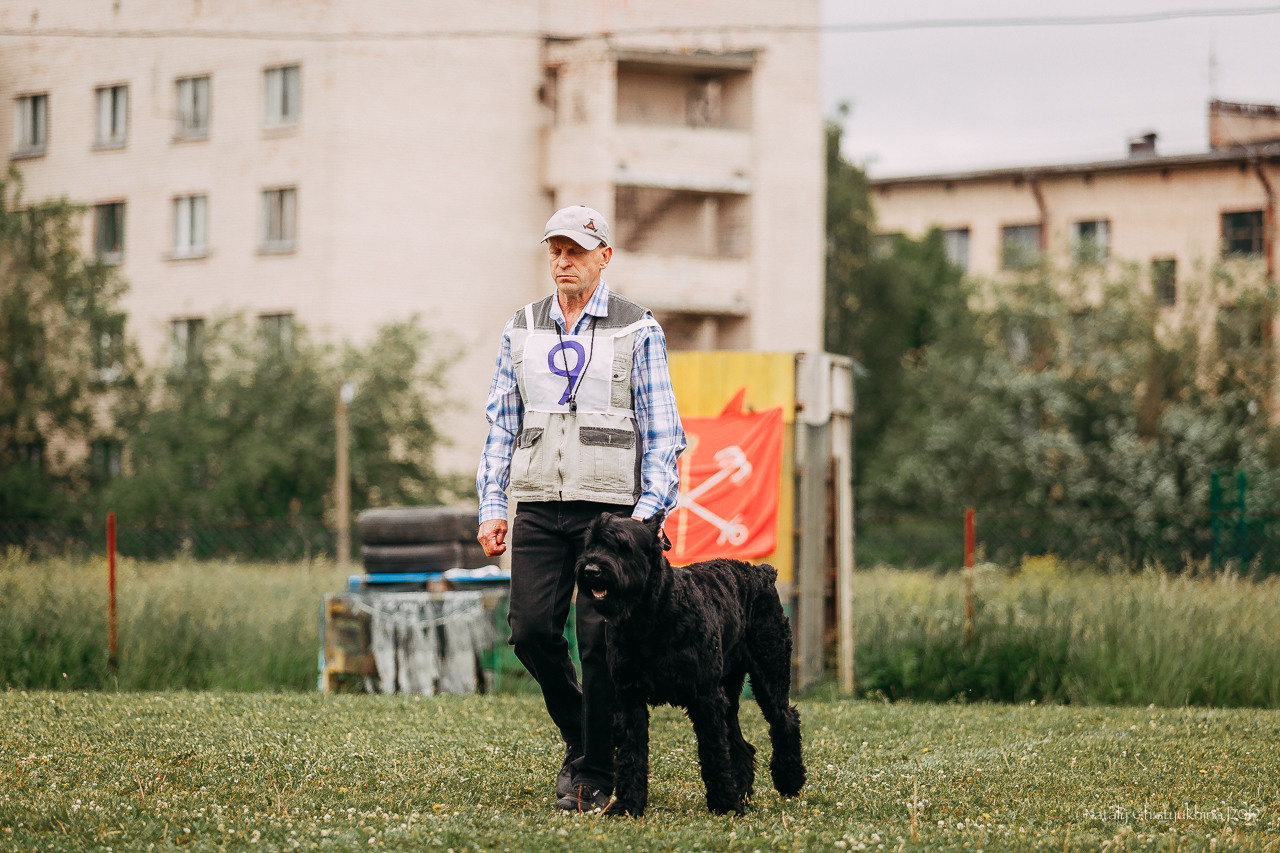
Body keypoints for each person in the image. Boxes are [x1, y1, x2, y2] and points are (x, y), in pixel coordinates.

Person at [476, 204, 685, 812]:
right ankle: (585, 737)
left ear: (604, 257)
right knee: (532, 633)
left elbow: (665, 431)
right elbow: (501, 424)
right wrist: (493, 505)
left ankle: (595, 771)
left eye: (576, 250)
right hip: (540, 504)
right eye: (555, 250)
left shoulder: (637, 328)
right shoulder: (521, 327)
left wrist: (646, 518)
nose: (563, 261)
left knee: (600, 645)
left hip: (612, 515)